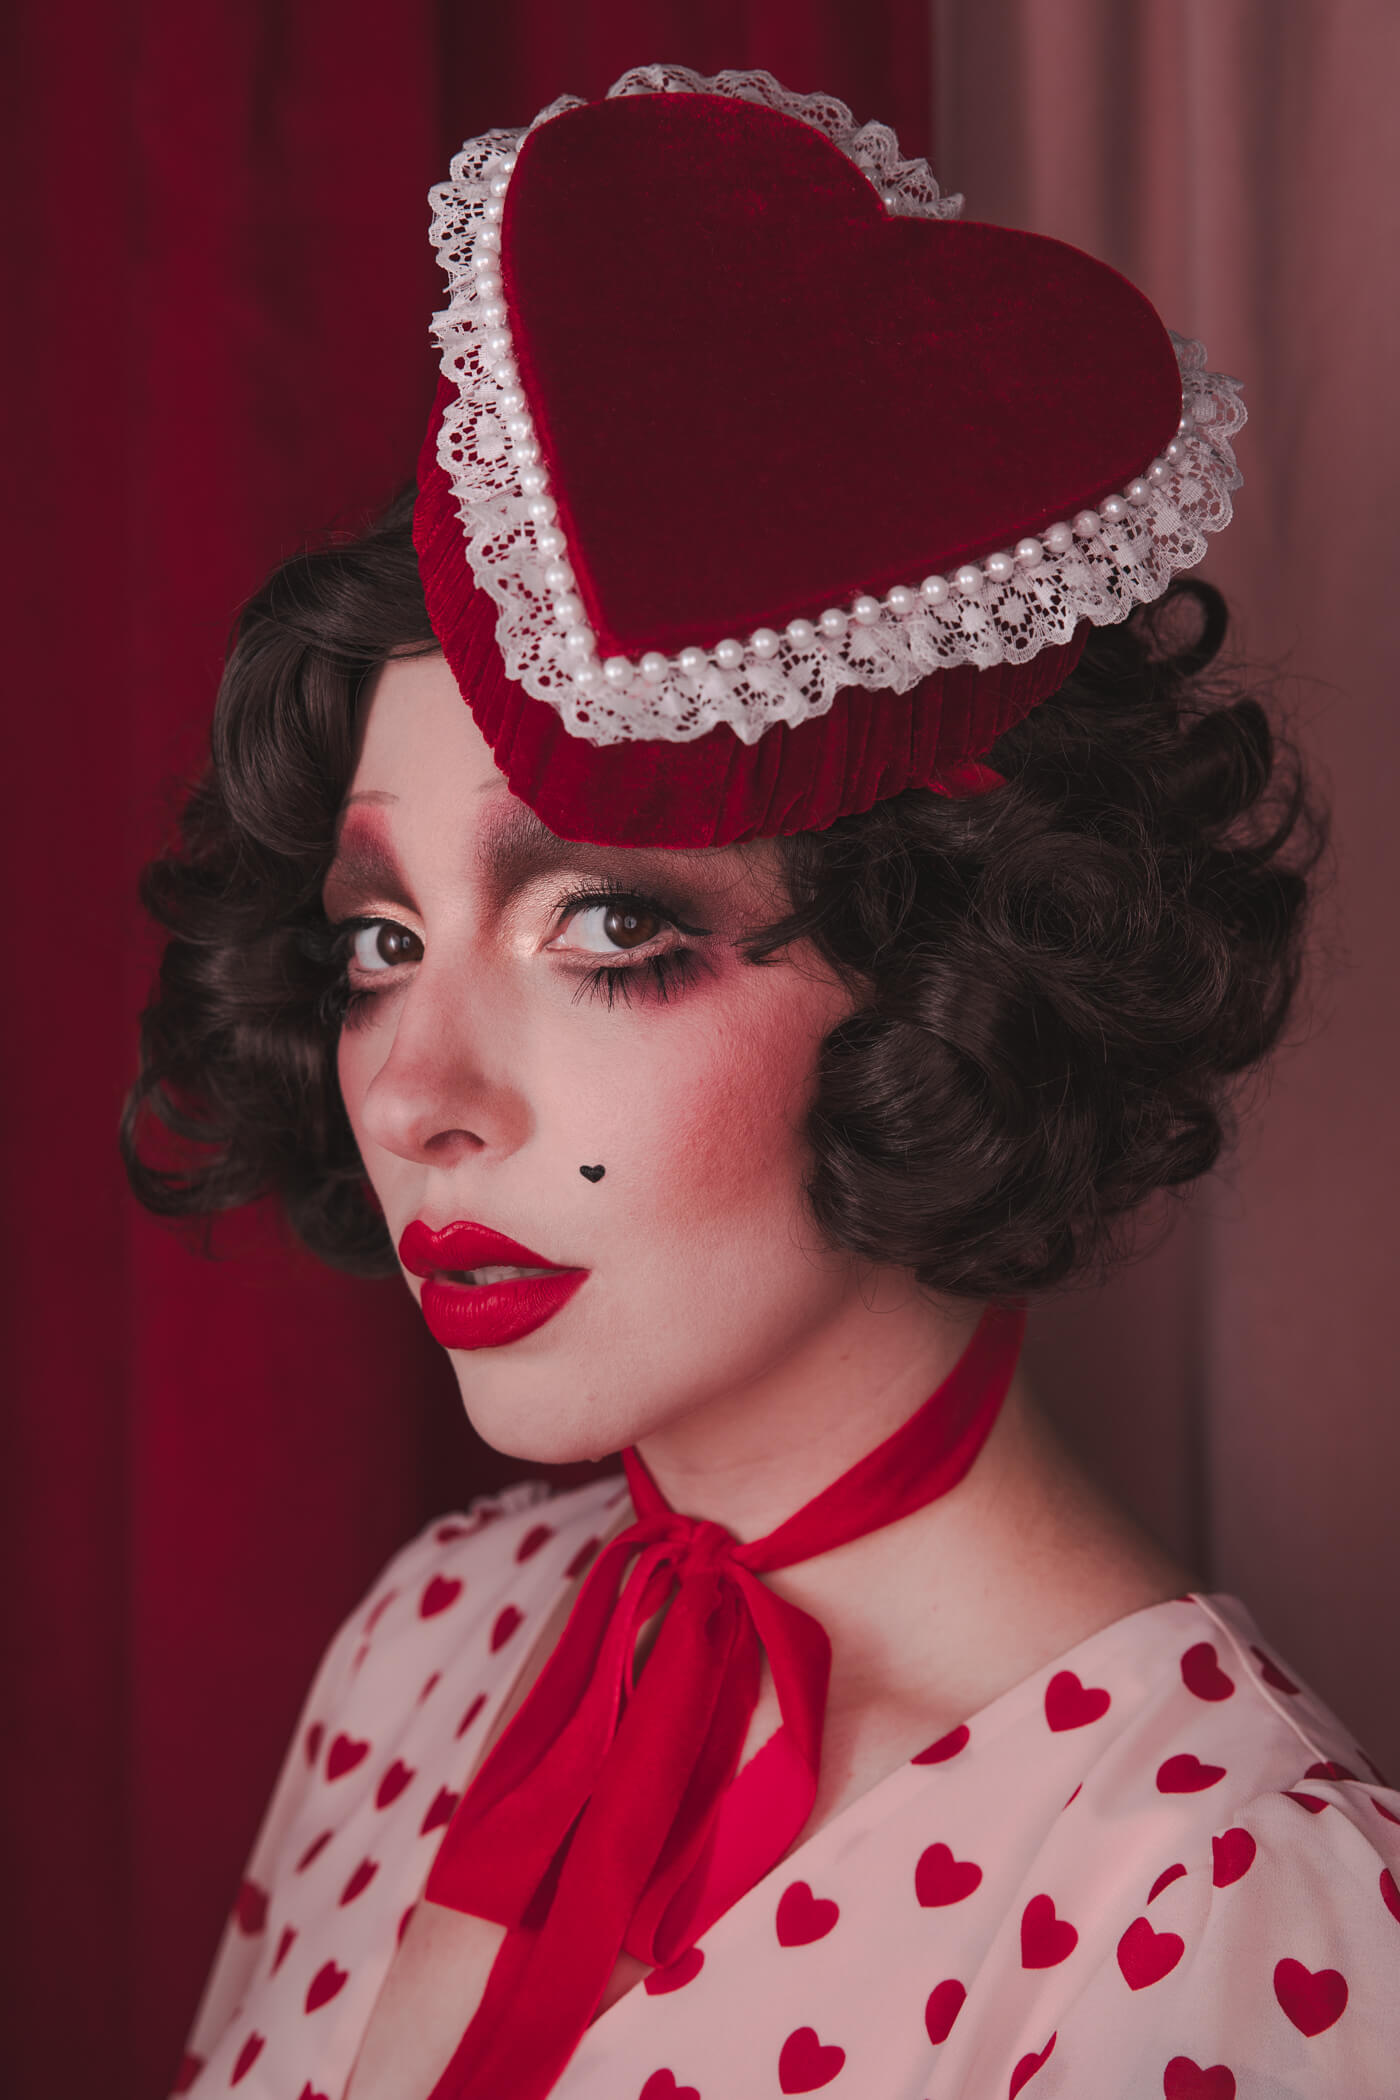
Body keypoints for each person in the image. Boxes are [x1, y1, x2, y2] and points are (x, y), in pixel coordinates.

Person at [123, 63, 1399, 2100]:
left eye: (609, 935)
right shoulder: (433, 1639)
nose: (417, 1094)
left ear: (959, 971)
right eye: (379, 941)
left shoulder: (1223, 1894)